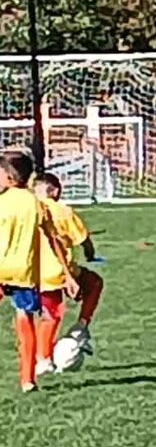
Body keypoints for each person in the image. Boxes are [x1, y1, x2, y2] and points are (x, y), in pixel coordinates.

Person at [0, 151, 75, 392]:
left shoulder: (2, 202)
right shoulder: (36, 204)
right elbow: (54, 240)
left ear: (10, 177)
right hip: (24, 273)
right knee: (25, 320)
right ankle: (28, 380)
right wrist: (68, 274)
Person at [33, 173, 103, 370]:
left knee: (47, 314)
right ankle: (80, 327)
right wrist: (90, 254)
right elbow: (84, 239)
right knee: (94, 284)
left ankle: (43, 358)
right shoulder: (63, 211)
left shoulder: (30, 210)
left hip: (31, 270)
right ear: (55, 191)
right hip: (61, 271)